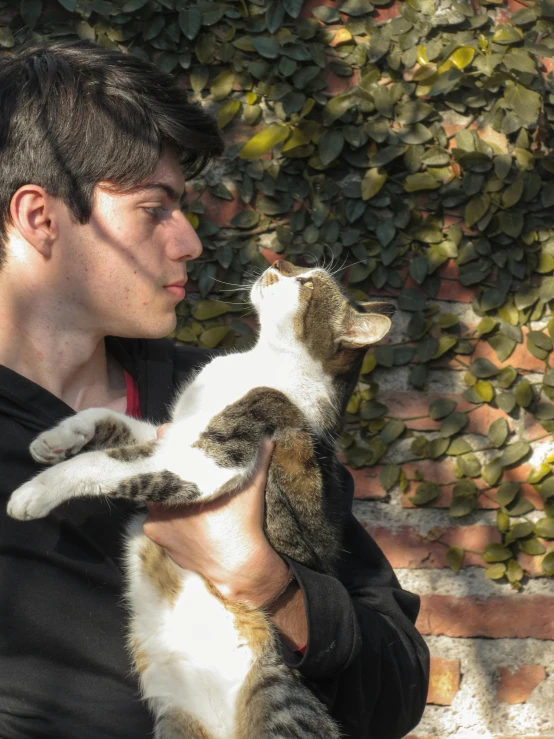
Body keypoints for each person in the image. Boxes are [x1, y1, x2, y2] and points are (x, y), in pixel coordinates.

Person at [0, 40, 429, 739]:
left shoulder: (246, 406)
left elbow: (398, 685)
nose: (191, 241)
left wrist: (268, 585)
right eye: (154, 208)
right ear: (39, 218)